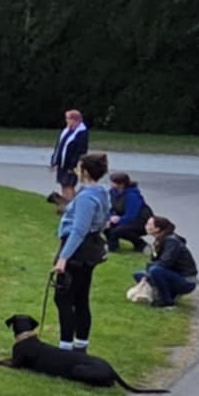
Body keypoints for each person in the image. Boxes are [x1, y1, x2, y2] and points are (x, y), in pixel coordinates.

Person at [52, 152, 111, 352]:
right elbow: (104, 220)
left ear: (84, 171)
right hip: (90, 248)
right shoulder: (102, 191)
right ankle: (80, 345)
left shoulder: (86, 197)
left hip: (78, 249)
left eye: (79, 167)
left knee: (64, 298)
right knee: (80, 297)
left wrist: (63, 258)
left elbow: (79, 230)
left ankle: (65, 347)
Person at [135, 216, 199, 307]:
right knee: (138, 275)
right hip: (172, 274)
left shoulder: (172, 242)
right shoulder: (159, 240)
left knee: (155, 271)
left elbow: (165, 263)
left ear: (157, 229)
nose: (146, 226)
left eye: (149, 224)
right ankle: (167, 294)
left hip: (186, 280)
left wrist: (150, 267)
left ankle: (166, 301)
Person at [50, 110, 90, 201]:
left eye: (68, 119)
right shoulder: (66, 131)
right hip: (62, 164)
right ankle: (66, 206)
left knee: (69, 185)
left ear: (75, 120)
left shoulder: (82, 133)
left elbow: (80, 151)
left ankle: (72, 206)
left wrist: (73, 165)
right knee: (63, 184)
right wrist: (54, 160)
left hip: (71, 165)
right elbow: (58, 146)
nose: (66, 121)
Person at [105, 171, 151, 253]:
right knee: (106, 226)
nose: (111, 184)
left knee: (119, 230)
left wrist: (118, 220)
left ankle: (141, 244)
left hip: (140, 221)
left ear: (121, 184)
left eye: (113, 182)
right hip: (122, 217)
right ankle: (113, 246)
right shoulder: (112, 192)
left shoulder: (132, 195)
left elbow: (131, 215)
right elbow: (111, 208)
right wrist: (110, 217)